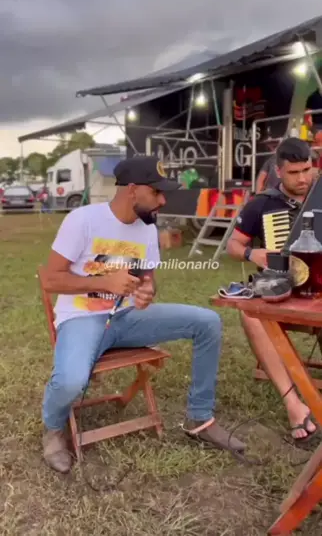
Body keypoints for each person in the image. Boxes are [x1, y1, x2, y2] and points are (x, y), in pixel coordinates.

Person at [41, 156, 246, 473]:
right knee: (70, 380)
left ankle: (200, 417)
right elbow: (50, 279)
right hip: (82, 319)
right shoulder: (82, 220)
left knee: (208, 322)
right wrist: (103, 282)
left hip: (127, 318)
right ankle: (54, 429)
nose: (163, 200)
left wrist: (147, 291)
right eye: (157, 193)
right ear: (133, 190)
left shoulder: (148, 229)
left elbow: (148, 281)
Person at [226, 137, 317, 443]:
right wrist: (254, 254)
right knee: (250, 315)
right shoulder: (262, 204)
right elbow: (234, 245)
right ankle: (293, 401)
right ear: (279, 172)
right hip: (282, 291)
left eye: (308, 169)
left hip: (318, 293)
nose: (303, 178)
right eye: (294, 172)